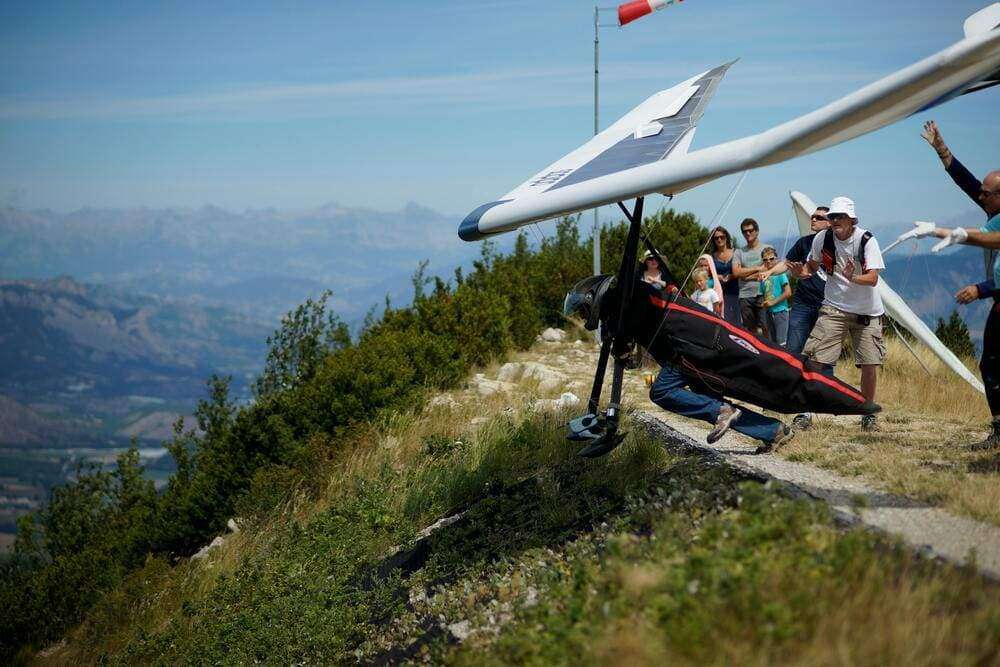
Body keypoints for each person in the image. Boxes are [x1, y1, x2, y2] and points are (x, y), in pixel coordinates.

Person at [920, 120, 1000, 449]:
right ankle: (999, 431)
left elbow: (990, 239)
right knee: (991, 365)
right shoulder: (993, 208)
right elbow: (967, 183)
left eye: (986, 193)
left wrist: (980, 288)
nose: (980, 196)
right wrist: (942, 149)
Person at [801, 196, 885, 432]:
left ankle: (867, 413)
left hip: (867, 312)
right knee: (815, 359)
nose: (835, 220)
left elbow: (873, 278)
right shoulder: (822, 238)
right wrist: (801, 272)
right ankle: (804, 411)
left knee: (869, 364)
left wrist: (853, 277)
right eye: (833, 217)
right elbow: (812, 266)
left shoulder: (866, 240)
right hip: (834, 307)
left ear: (852, 220)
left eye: (840, 216)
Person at [761, 205, 831, 429]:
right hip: (802, 304)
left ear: (829, 223)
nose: (814, 219)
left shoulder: (835, 245)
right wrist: (770, 271)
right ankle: (786, 399)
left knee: (821, 357)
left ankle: (822, 401)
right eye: (813, 216)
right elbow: (786, 263)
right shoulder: (804, 243)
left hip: (827, 306)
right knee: (792, 351)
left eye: (819, 217)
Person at [732, 218, 766, 335]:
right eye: (744, 231)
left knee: (766, 326)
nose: (748, 233)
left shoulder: (766, 249)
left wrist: (745, 276)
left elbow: (768, 269)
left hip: (763, 293)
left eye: (750, 230)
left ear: (757, 231)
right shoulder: (738, 252)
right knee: (750, 331)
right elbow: (736, 273)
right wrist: (757, 268)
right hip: (745, 295)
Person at [758, 246, 791, 346]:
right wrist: (763, 304)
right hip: (769, 312)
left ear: (776, 259)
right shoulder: (763, 276)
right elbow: (764, 295)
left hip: (781, 311)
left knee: (782, 342)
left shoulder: (780, 274)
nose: (769, 262)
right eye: (765, 260)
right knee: (773, 342)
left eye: (771, 259)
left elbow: (788, 292)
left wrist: (773, 302)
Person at [709, 226, 741, 324]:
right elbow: (708, 274)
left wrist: (731, 276)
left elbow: (740, 271)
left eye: (722, 237)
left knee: (737, 323)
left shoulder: (736, 252)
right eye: (716, 238)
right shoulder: (712, 257)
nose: (719, 239)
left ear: (726, 237)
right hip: (720, 294)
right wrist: (717, 277)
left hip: (737, 292)